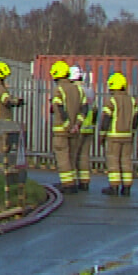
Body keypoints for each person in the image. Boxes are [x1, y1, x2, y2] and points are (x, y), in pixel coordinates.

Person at [100, 71, 138, 197]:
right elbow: (136, 118)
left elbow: (106, 119)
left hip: (114, 136)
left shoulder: (112, 101)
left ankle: (114, 187)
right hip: (128, 136)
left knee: (113, 161)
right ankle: (127, 187)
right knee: (126, 160)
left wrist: (102, 134)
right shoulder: (132, 101)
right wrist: (133, 132)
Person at [48, 60, 87, 192]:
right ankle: (73, 182)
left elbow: (59, 108)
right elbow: (85, 109)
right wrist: (77, 125)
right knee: (72, 156)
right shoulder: (78, 90)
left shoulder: (58, 89)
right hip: (76, 130)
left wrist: (67, 125)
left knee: (63, 157)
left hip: (61, 131)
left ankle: (67, 185)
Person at [0, 60, 25, 178]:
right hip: (2, 122)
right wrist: (17, 101)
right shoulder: (0, 88)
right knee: (2, 148)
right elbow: (6, 100)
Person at [72, 67, 97, 191]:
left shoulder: (76, 91)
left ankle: (72, 182)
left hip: (78, 127)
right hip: (89, 128)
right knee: (84, 156)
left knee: (73, 155)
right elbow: (95, 109)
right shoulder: (90, 91)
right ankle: (85, 182)